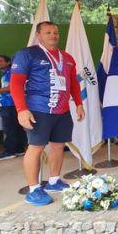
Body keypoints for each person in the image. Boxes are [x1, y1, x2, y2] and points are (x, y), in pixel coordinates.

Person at [10, 22, 85, 206]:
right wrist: (21, 109)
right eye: (48, 32)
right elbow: (16, 83)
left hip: (62, 110)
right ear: (39, 35)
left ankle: (54, 181)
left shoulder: (66, 57)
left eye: (56, 32)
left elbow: (73, 83)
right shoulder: (27, 54)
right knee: (35, 148)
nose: (53, 35)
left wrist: (79, 104)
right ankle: (34, 189)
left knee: (58, 146)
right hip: (38, 110)